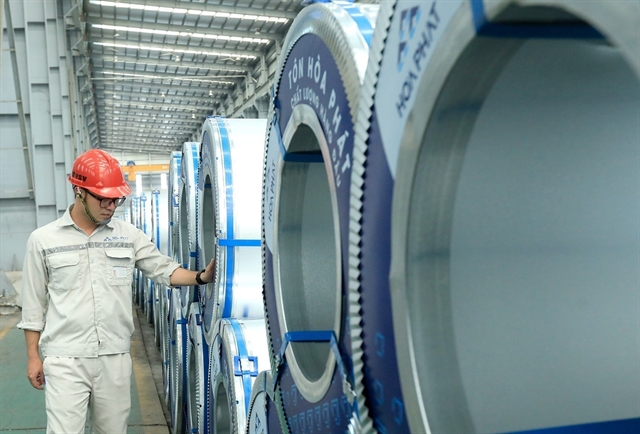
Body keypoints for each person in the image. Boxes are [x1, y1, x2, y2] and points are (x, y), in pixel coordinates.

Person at [17, 149, 214, 433]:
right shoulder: (43, 240)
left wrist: (201, 277)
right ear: (79, 191)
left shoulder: (127, 236)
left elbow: (163, 270)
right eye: (104, 198)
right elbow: (33, 305)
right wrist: (33, 357)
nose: (111, 206)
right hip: (65, 358)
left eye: (116, 199)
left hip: (114, 357)